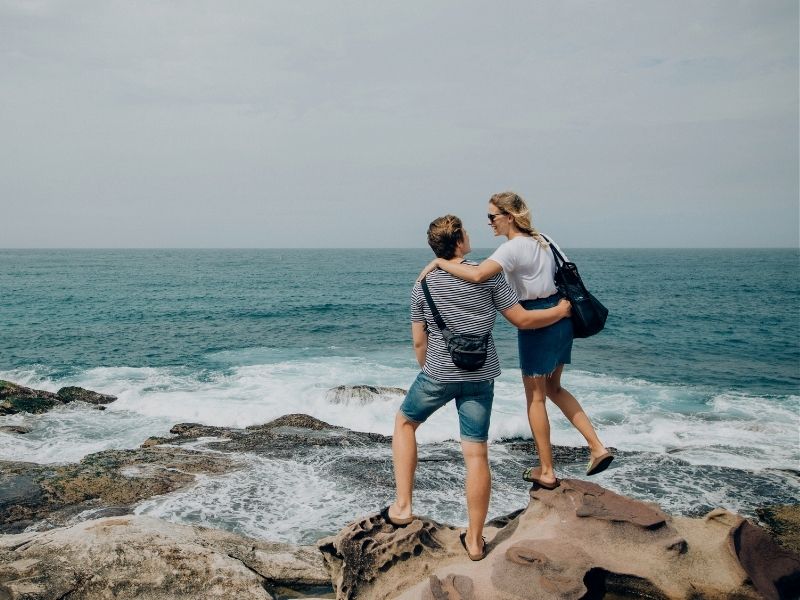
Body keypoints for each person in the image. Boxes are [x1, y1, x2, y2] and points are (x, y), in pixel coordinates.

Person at [387, 214, 571, 562]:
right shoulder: (490, 278)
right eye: (466, 232)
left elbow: (418, 341)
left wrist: (430, 369)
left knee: (405, 422)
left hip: (439, 373)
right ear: (458, 241)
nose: (471, 234)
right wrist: (561, 312)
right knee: (476, 453)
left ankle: (403, 505)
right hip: (480, 375)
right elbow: (522, 319)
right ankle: (474, 541)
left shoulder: (423, 284)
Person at [417, 192, 613, 490]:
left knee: (535, 397)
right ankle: (597, 447)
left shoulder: (513, 248)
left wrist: (440, 264)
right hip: (563, 317)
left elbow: (479, 274)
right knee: (554, 388)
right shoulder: (545, 240)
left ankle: (546, 470)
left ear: (509, 216)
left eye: (492, 217)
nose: (489, 223)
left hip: (538, 321)